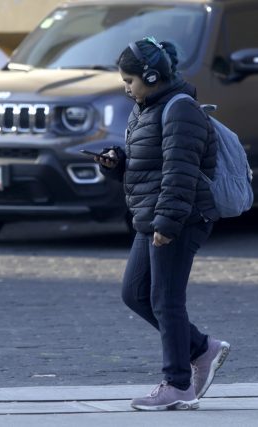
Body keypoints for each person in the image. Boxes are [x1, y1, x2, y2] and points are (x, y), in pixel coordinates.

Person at [95, 36, 231, 411]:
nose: (126, 88)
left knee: (166, 299)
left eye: (130, 81)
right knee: (135, 293)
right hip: (152, 214)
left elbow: (180, 172)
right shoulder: (146, 107)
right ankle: (202, 349)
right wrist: (118, 163)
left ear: (152, 76)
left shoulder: (181, 110)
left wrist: (168, 223)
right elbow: (151, 165)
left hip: (179, 217)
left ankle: (178, 385)